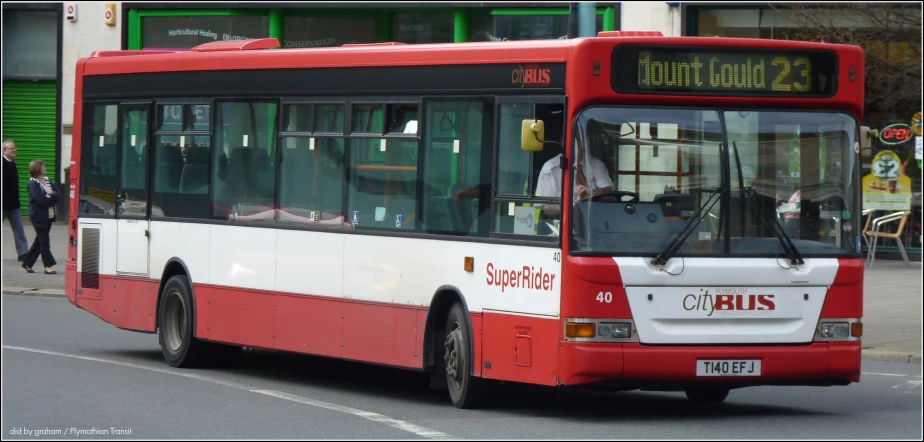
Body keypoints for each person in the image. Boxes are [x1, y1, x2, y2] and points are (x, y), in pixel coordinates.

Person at [535, 119, 614, 218]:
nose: (574, 145)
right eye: (571, 141)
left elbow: (610, 196)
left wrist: (592, 193)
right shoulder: (550, 168)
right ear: (563, 143)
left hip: (593, 221)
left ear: (585, 144)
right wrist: (573, 209)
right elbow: (547, 208)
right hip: (562, 224)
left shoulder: (596, 165)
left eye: (578, 141)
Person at [22, 159, 59, 275]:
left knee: (39, 240)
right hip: (38, 216)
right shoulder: (33, 184)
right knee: (44, 240)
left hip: (49, 215)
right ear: (37, 168)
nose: (45, 168)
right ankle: (47, 266)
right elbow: (41, 200)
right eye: (43, 166)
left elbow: (58, 193)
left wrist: (51, 196)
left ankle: (27, 263)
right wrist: (50, 197)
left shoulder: (47, 180)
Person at [2, 139, 29, 261]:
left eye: (15, 148)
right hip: (3, 204)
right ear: (4, 150)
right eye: (11, 148)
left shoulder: (13, 164)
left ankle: (23, 253)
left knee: (19, 230)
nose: (14, 150)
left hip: (14, 204)